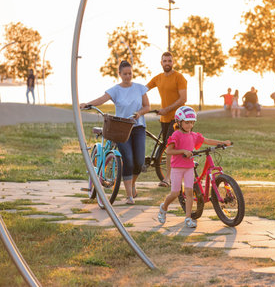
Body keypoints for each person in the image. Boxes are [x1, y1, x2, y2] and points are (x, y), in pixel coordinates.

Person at [80, 60, 150, 205]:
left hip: (138, 127)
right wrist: (88, 104)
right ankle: (129, 196)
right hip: (121, 129)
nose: (127, 76)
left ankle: (132, 184)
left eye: (130, 73)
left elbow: (147, 106)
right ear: (119, 74)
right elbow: (102, 99)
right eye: (124, 74)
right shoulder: (115, 90)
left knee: (139, 161)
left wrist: (139, 113)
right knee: (128, 160)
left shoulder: (140, 88)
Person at [157, 106, 231, 228]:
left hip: (189, 167)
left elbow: (207, 140)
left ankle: (188, 218)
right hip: (177, 168)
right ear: (179, 122)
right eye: (187, 122)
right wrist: (183, 151)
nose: (190, 125)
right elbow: (169, 151)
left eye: (192, 122)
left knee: (190, 192)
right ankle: (164, 207)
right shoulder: (176, 135)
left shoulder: (194, 135)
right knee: (175, 193)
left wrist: (223, 143)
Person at [146, 52, 187, 188]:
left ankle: (168, 179)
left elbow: (183, 99)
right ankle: (172, 174)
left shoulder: (179, 77)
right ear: (161, 63)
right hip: (164, 118)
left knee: (169, 147)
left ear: (173, 62)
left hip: (178, 118)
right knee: (167, 147)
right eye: (165, 61)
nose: (167, 63)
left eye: (169, 61)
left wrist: (167, 109)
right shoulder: (158, 78)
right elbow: (143, 89)